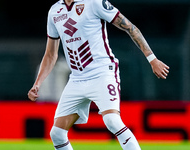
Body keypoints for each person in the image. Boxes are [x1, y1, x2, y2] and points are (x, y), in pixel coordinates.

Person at [28, 0, 170, 149]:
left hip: (102, 73)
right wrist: (37, 83)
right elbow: (51, 54)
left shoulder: (94, 2)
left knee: (112, 120)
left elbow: (130, 27)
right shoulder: (55, 11)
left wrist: (152, 59)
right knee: (57, 134)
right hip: (77, 78)